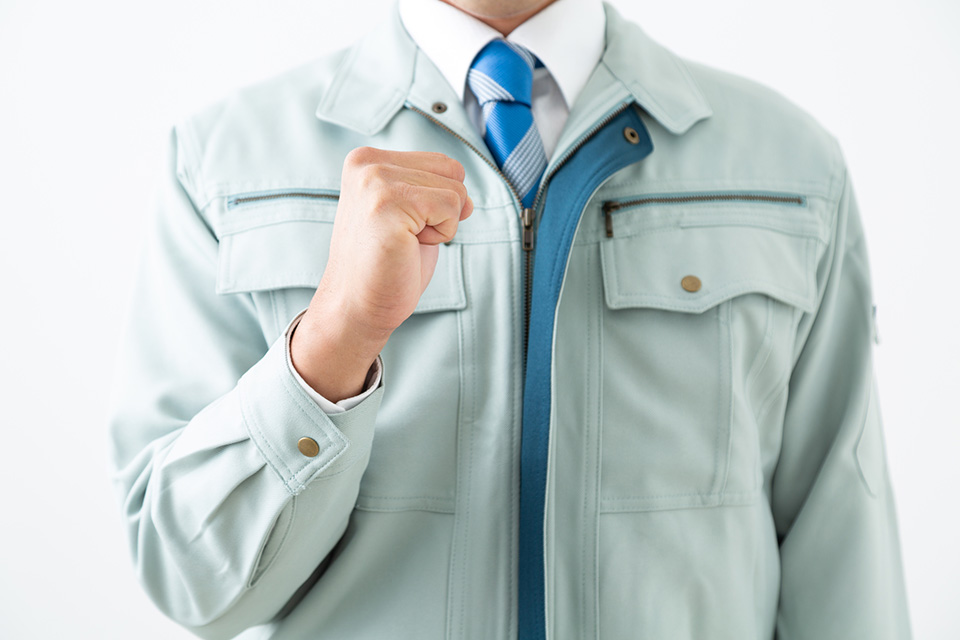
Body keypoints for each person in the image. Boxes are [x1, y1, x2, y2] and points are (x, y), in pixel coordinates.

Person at [108, 0, 911, 638]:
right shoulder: (223, 167)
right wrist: (334, 341)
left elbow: (844, 551)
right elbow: (194, 584)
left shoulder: (788, 165)